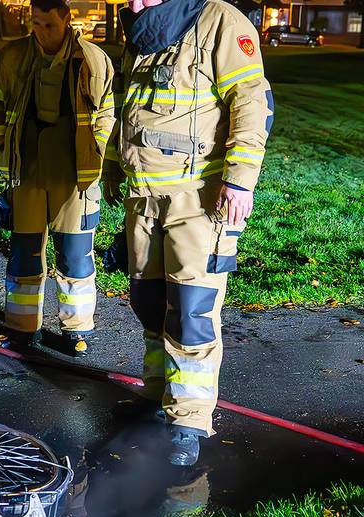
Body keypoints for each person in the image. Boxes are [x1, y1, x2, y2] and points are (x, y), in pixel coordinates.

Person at [103, 0, 273, 465]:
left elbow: (251, 102)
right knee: (149, 303)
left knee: (191, 312)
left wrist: (239, 179)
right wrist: (113, 167)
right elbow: (127, 109)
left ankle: (189, 419)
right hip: (144, 198)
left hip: (199, 199)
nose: (136, 4)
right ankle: (158, 399)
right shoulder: (139, 34)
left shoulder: (220, 20)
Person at [0, 0, 115, 357]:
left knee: (74, 255)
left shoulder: (93, 60)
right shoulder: (14, 57)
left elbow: (106, 113)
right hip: (27, 169)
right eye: (35, 24)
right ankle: (23, 328)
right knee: (24, 253)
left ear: (67, 19)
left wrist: (96, 151)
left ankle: (75, 330)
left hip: (74, 175)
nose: (40, 32)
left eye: (49, 25)